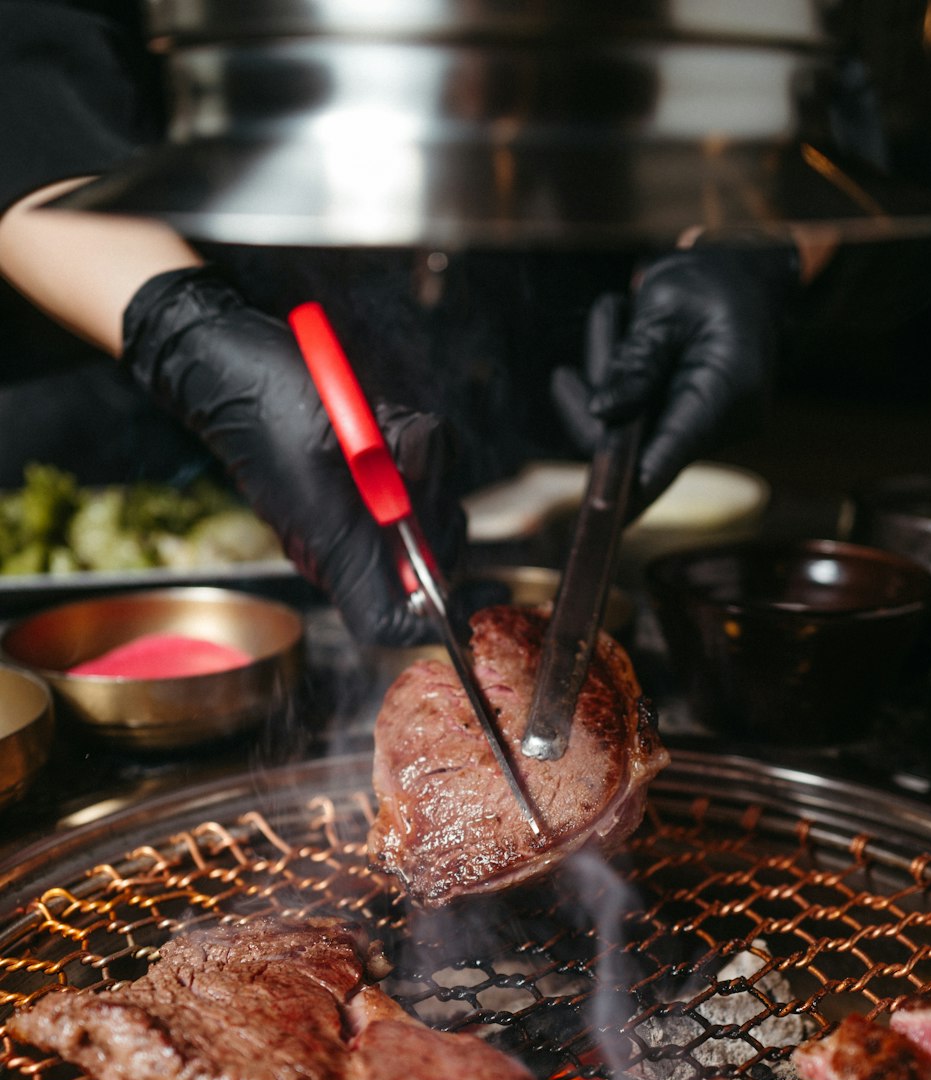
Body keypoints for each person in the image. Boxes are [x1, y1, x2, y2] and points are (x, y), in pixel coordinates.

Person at [0, 1, 803, 646]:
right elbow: (26, 66)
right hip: (147, 462)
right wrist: (180, 331)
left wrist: (744, 244)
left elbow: (807, 99)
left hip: (544, 416)